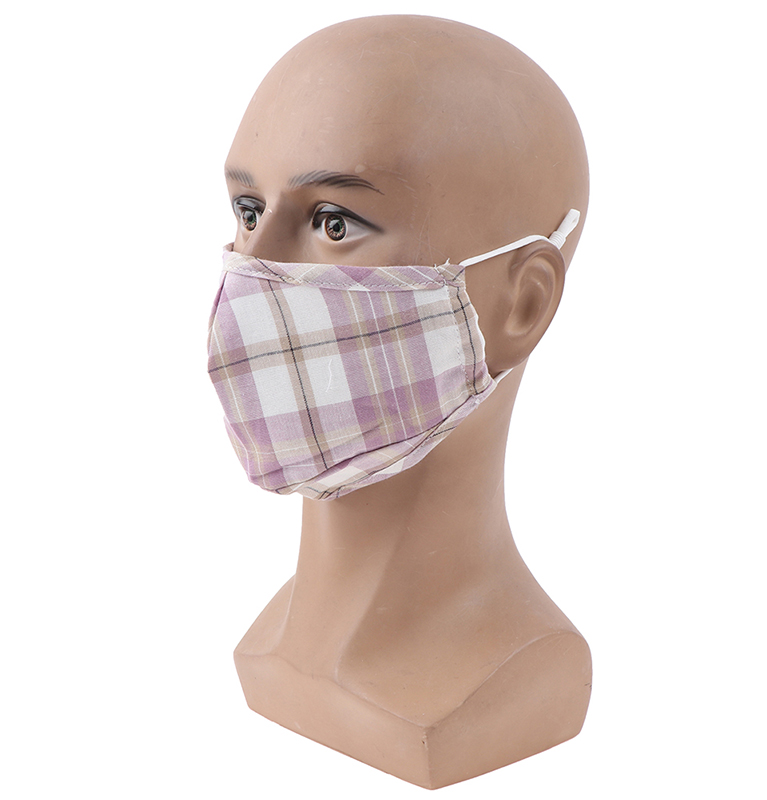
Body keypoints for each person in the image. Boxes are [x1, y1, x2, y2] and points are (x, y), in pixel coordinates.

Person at [207, 14, 591, 788]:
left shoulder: (520, 669)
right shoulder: (261, 641)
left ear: (522, 303)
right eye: (248, 211)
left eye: (333, 223)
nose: (252, 271)